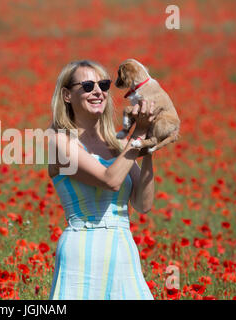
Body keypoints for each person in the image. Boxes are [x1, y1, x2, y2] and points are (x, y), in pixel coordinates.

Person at [48, 59, 156, 300]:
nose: (98, 91)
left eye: (104, 85)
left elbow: (143, 204)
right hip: (82, 254)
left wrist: (148, 146)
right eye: (87, 86)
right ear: (67, 95)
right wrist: (137, 135)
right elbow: (110, 180)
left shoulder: (117, 145)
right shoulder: (60, 142)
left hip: (123, 251)